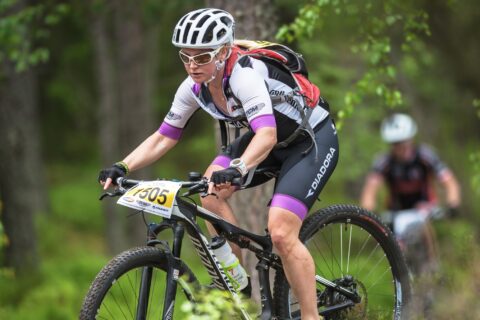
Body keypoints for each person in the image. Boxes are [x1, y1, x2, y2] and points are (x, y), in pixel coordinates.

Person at [98, 8, 338, 319]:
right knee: (208, 192)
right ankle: (236, 286)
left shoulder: (245, 75)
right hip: (267, 140)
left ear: (224, 51)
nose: (192, 66)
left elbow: (266, 135)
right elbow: (163, 137)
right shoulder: (193, 87)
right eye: (186, 57)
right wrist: (123, 166)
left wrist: (238, 168)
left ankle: (311, 316)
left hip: (309, 140)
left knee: (280, 233)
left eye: (201, 58)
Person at [360, 113, 461, 214]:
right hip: (396, 212)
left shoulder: (426, 155)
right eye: (394, 143)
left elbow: (449, 181)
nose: (399, 147)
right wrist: (368, 212)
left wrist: (453, 204)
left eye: (402, 142)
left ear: (411, 139)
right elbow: (370, 189)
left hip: (425, 209)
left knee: (424, 227)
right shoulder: (384, 161)